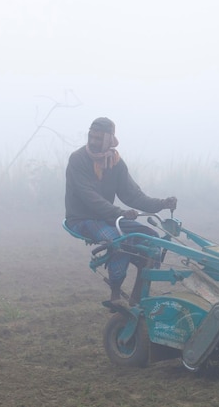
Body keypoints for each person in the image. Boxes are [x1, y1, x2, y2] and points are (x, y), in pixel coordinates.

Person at [65, 117, 177, 302]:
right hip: (82, 218)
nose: (93, 142)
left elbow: (133, 195)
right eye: (91, 136)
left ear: (110, 140)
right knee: (120, 241)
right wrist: (120, 213)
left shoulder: (115, 163)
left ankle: (137, 298)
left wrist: (162, 203)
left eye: (98, 138)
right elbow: (89, 196)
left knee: (152, 240)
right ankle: (115, 295)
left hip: (108, 217)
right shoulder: (78, 160)